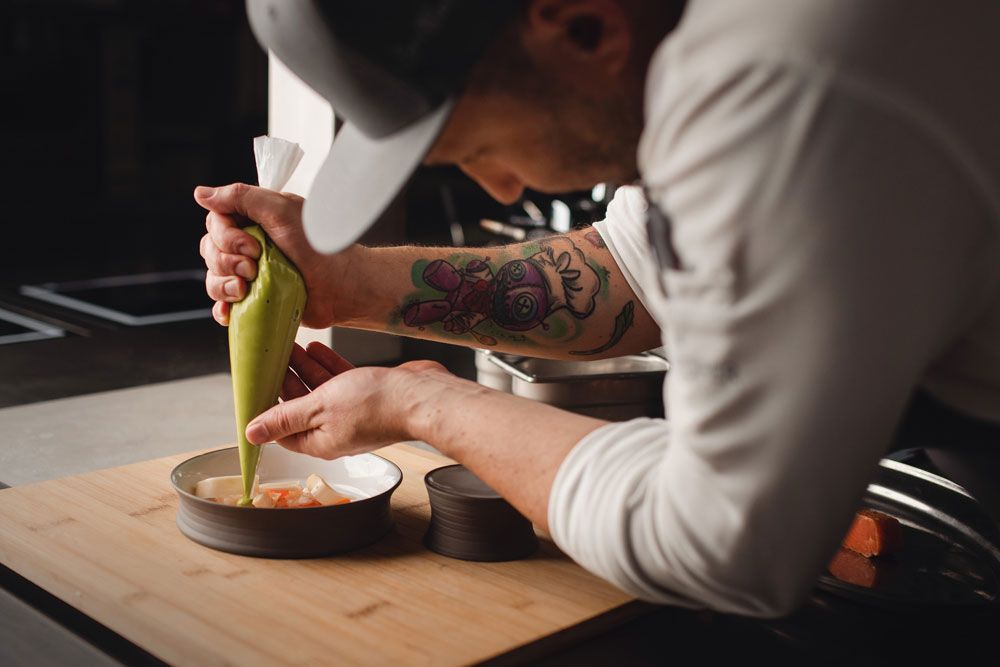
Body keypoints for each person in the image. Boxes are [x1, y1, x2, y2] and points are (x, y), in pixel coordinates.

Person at [194, 0, 1000, 616]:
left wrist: (423, 401)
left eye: (479, 146)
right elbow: (638, 267)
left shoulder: (780, 88)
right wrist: (350, 281)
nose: (502, 187)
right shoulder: (724, 42)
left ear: (584, 29)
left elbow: (722, 537)